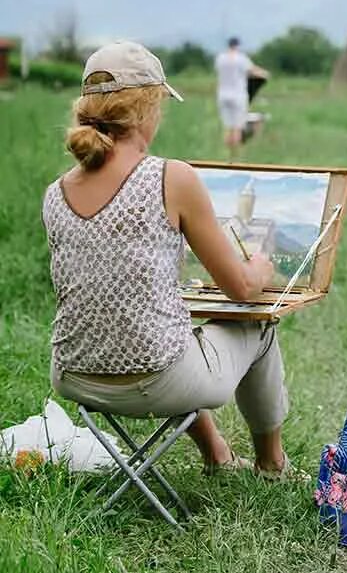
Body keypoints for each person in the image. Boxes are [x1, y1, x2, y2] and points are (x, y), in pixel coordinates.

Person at [44, 41, 293, 477]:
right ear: (143, 109)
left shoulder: (56, 192)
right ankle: (271, 463)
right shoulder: (170, 177)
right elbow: (241, 288)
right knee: (259, 324)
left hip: (74, 377)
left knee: (172, 338)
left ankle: (216, 452)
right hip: (155, 383)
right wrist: (259, 266)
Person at [215, 37, 269, 154]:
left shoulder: (220, 58)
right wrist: (265, 73)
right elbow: (253, 71)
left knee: (228, 126)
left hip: (223, 95)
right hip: (238, 95)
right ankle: (236, 153)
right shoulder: (241, 58)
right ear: (237, 46)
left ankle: (227, 151)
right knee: (237, 126)